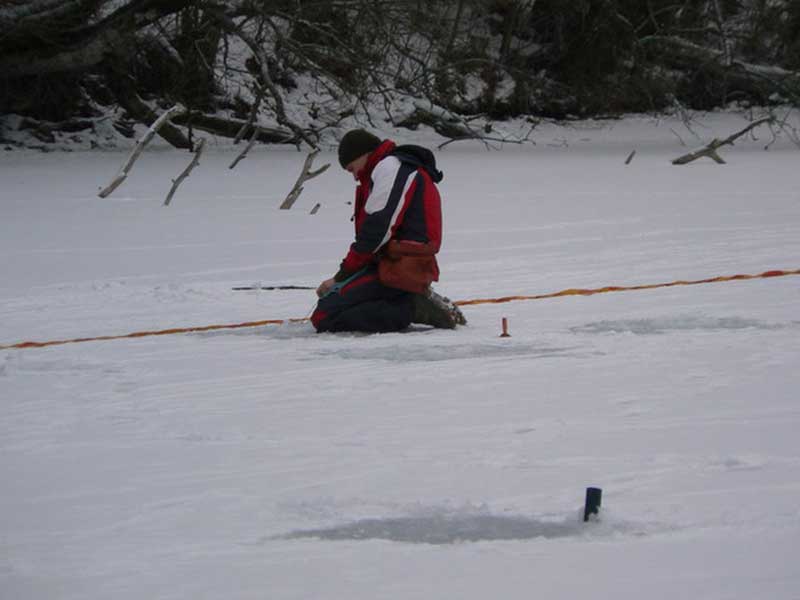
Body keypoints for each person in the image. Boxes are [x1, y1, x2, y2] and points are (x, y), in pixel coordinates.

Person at [311, 129, 466, 333]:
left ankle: (411, 307)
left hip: (399, 266)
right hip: (392, 263)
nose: (355, 176)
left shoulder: (390, 168)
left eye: (351, 169)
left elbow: (376, 230)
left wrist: (341, 276)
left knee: (325, 316)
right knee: (331, 308)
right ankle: (406, 298)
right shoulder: (388, 169)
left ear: (363, 154)